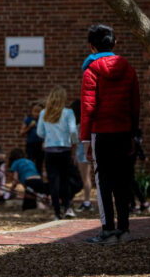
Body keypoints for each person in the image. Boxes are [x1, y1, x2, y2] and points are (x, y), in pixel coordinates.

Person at [81, 24, 140, 244]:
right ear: (115, 44)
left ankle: (107, 231)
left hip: (101, 133)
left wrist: (85, 140)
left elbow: (88, 107)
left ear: (91, 46)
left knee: (103, 182)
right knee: (123, 181)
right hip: (124, 132)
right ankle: (124, 230)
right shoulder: (129, 69)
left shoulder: (91, 70)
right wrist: (133, 134)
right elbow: (135, 106)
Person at [37, 85, 78, 221]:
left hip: (50, 150)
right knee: (65, 180)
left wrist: (48, 137)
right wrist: (74, 144)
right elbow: (73, 131)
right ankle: (67, 207)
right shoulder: (68, 113)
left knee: (53, 181)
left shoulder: (44, 113)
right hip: (64, 149)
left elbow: (39, 132)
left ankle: (56, 212)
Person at [70, 99, 94, 212]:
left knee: (85, 178)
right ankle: (86, 201)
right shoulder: (85, 122)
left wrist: (74, 154)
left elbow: (75, 140)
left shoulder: (78, 124)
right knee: (86, 177)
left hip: (81, 151)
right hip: (84, 150)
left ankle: (87, 202)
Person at [128, 129, 150, 213]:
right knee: (131, 183)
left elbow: (138, 149)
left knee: (130, 183)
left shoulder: (133, 137)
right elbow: (140, 152)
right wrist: (143, 156)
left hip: (127, 164)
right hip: (128, 164)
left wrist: (143, 156)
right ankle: (140, 202)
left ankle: (134, 204)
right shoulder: (136, 137)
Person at [19, 101, 45, 176]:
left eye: (39, 112)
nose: (36, 114)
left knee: (39, 164)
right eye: (35, 111)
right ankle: (30, 178)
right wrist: (29, 127)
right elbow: (21, 133)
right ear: (31, 111)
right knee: (30, 163)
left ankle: (39, 180)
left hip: (40, 145)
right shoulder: (28, 120)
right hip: (31, 145)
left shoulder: (43, 121)